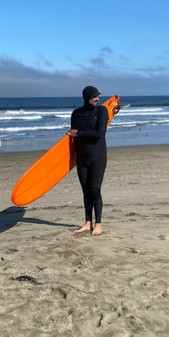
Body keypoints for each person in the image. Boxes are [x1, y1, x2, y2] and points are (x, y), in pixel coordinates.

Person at [66, 86, 108, 236]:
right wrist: (70, 160)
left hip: (98, 157)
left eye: (98, 96)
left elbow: (100, 133)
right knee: (86, 191)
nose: (97, 99)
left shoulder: (101, 111)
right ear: (86, 98)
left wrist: (79, 133)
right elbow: (72, 140)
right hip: (82, 158)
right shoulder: (76, 113)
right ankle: (87, 222)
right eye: (94, 97)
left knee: (95, 189)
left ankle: (98, 224)